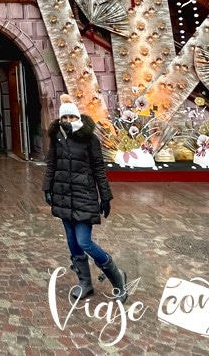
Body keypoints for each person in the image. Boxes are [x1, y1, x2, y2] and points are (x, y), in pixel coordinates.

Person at [42, 93, 128, 303]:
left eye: (71, 117)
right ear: (60, 120)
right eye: (64, 118)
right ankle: (85, 283)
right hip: (63, 196)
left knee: (85, 241)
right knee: (73, 244)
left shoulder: (90, 138)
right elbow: (52, 163)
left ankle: (117, 277)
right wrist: (47, 187)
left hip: (84, 196)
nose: (68, 122)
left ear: (77, 117)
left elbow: (99, 168)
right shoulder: (57, 137)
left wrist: (105, 197)